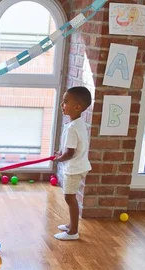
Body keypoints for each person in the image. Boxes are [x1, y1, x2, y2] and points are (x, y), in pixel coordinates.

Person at [54, 86, 92, 241]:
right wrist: (61, 154)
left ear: (77, 107)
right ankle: (71, 225)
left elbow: (70, 152)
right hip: (80, 165)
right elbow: (72, 148)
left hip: (74, 168)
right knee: (71, 198)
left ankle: (73, 231)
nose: (62, 105)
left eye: (65, 102)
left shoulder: (72, 128)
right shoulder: (78, 124)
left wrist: (60, 158)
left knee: (69, 198)